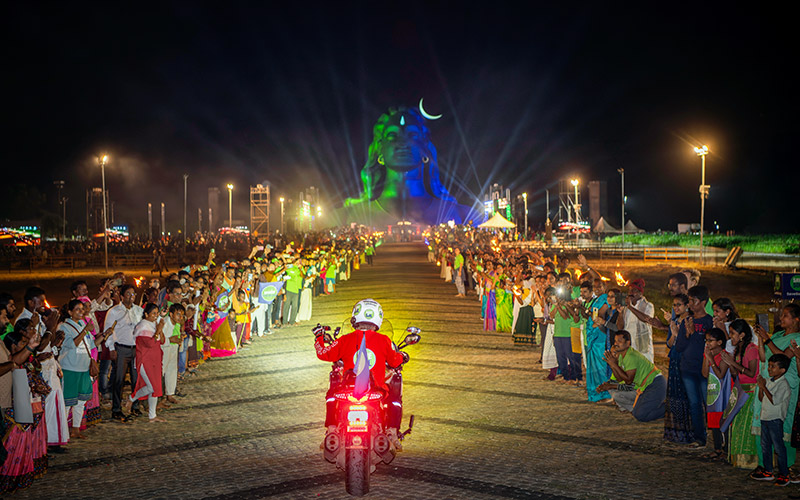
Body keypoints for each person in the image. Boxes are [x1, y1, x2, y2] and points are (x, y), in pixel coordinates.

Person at [314, 299, 406, 446]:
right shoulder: (384, 340)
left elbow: (323, 354)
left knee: (331, 395)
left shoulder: (344, 339)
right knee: (394, 399)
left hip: (348, 390)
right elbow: (395, 361)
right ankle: (392, 433)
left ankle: (331, 429)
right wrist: (402, 356)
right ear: (378, 318)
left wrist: (319, 337)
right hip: (376, 390)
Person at [752, 304, 800, 475]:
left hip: (785, 385)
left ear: (796, 319)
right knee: (761, 419)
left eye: (785, 315)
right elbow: (765, 356)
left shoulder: (798, 338)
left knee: (783, 425)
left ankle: (787, 466)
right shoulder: (779, 334)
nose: (781, 318)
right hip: (767, 381)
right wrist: (760, 339)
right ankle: (764, 464)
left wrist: (767, 339)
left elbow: (783, 358)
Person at [674, 285, 714, 448]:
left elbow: (713, 344)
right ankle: (700, 437)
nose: (690, 304)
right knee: (694, 404)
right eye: (689, 300)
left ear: (703, 302)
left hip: (705, 369)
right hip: (688, 369)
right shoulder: (686, 321)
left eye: (693, 300)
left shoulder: (709, 321)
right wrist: (687, 333)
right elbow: (679, 347)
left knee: (709, 404)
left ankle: (719, 438)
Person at [597, 329, 666, 422]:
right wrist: (612, 364)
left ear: (628, 343)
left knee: (641, 415)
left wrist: (613, 365)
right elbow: (620, 379)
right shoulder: (621, 356)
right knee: (637, 412)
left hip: (655, 384)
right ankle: (653, 405)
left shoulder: (631, 356)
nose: (616, 343)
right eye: (615, 341)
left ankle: (671, 410)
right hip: (644, 387)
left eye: (619, 341)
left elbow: (628, 381)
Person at [723, 319, 759, 469]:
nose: (730, 336)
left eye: (733, 333)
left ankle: (750, 461)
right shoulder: (739, 348)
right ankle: (737, 459)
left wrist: (734, 364)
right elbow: (735, 372)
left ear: (742, 335)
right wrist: (731, 364)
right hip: (740, 388)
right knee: (736, 424)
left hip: (750, 392)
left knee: (746, 426)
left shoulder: (752, 349)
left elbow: (751, 373)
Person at [750, 353, 791, 486]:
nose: (769, 369)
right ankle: (768, 471)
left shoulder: (783, 384)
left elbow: (774, 400)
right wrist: (761, 387)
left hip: (775, 420)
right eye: (769, 366)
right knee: (765, 446)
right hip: (765, 418)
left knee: (779, 448)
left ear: (782, 370)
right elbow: (762, 398)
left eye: (773, 367)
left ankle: (784, 474)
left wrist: (763, 387)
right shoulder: (768, 380)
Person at [104, 285, 143, 422]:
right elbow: (109, 330)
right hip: (121, 348)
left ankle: (135, 406)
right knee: (118, 380)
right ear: (121, 296)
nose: (131, 297)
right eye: (128, 294)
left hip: (136, 349)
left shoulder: (139, 310)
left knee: (136, 379)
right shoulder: (114, 311)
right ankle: (116, 409)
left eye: (133, 294)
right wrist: (111, 348)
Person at [663, 293, 694, 444]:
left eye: (679, 305)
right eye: (674, 305)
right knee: (674, 395)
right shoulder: (675, 321)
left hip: (685, 360)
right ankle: (675, 432)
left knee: (685, 395)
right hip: (674, 358)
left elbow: (690, 342)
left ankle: (688, 432)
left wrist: (678, 333)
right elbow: (669, 343)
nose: (676, 308)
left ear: (687, 305)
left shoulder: (690, 321)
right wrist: (674, 333)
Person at [128, 304, 166, 422]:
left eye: (157, 313)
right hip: (145, 360)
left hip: (155, 360)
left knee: (155, 388)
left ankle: (152, 415)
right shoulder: (143, 326)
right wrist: (158, 329)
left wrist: (160, 329)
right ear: (146, 314)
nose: (156, 316)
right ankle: (131, 398)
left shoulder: (154, 324)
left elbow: (162, 340)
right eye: (153, 313)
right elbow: (149, 343)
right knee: (151, 387)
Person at [702, 327, 731, 460]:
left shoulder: (724, 356)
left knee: (724, 420)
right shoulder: (708, 354)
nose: (707, 343)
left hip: (723, 393)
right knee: (713, 420)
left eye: (710, 340)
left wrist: (711, 360)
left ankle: (726, 450)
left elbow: (720, 375)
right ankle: (717, 448)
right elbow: (704, 373)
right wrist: (706, 357)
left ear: (719, 342)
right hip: (712, 392)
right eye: (706, 340)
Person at [618, 278, 654, 362]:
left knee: (644, 372)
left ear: (640, 293)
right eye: (629, 291)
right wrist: (620, 313)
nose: (630, 293)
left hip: (642, 348)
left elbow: (646, 319)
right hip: (629, 346)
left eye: (634, 290)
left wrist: (630, 307)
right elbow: (620, 328)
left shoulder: (648, 305)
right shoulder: (626, 308)